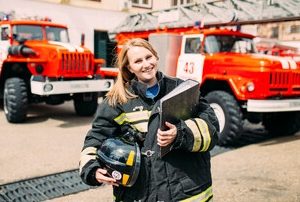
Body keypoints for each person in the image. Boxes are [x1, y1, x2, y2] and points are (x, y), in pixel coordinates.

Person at [79, 38, 219, 202]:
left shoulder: (182, 89)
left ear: (156, 57)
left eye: (148, 57)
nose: (146, 64)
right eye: (138, 61)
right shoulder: (117, 101)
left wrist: (180, 134)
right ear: (129, 67)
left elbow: (211, 127)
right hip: (141, 195)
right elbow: (96, 138)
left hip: (187, 193)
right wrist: (92, 169)